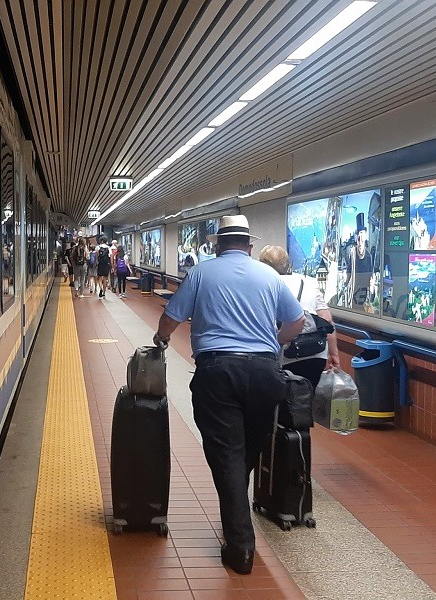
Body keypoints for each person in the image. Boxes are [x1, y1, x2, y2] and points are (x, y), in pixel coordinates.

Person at [152, 215, 304, 575]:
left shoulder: (202, 273)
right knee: (246, 450)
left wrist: (161, 338)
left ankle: (241, 548)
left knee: (226, 455)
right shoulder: (269, 276)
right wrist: (274, 343)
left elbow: (172, 316)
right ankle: (237, 510)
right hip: (266, 374)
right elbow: (296, 321)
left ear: (218, 245)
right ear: (249, 247)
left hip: (218, 373)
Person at [259, 245, 340, 388]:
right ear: (288, 264)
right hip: (314, 354)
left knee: (280, 402)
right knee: (305, 399)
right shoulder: (308, 282)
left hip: (282, 355)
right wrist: (334, 353)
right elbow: (327, 320)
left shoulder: (264, 284)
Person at [345, 213, 374, 309]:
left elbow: (370, 274)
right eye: (359, 233)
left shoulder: (368, 255)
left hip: (364, 289)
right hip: (354, 288)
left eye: (363, 233)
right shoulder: (352, 252)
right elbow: (349, 269)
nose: (361, 236)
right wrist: (346, 283)